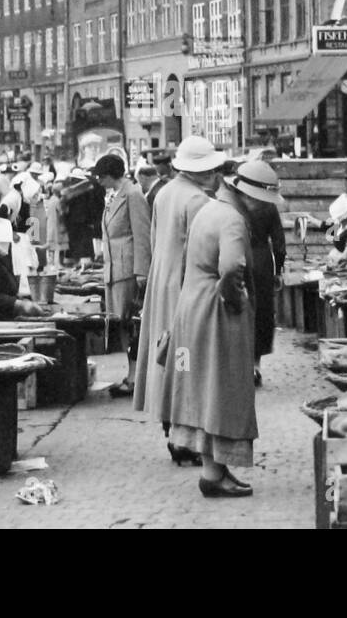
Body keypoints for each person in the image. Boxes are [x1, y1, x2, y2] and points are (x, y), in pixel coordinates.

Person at [164, 159, 283, 498]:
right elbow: (232, 267)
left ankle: (213, 470)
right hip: (216, 314)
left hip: (194, 307)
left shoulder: (210, 209)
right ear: (252, 195)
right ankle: (214, 474)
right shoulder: (233, 220)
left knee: (204, 391)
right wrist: (234, 301)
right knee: (225, 390)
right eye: (264, 200)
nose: (265, 208)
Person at [133, 136, 225, 463]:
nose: (216, 174)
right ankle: (183, 437)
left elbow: (157, 240)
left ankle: (169, 427)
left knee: (166, 357)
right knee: (186, 360)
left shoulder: (165, 193)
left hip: (162, 289)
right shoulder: (199, 201)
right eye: (212, 169)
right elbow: (199, 256)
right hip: (185, 293)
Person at [95, 154, 152, 398]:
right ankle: (132, 374)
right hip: (113, 269)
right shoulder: (114, 196)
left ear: (110, 175)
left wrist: (142, 270)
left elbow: (142, 234)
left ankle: (135, 377)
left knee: (131, 324)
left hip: (128, 270)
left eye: (101, 176)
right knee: (122, 325)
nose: (98, 181)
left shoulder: (133, 195)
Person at [236, 160, 285, 386]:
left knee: (240, 311)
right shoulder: (269, 206)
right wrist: (279, 270)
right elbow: (279, 243)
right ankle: (255, 366)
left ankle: (240, 364)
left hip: (239, 256)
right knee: (262, 313)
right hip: (263, 261)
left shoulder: (234, 204)